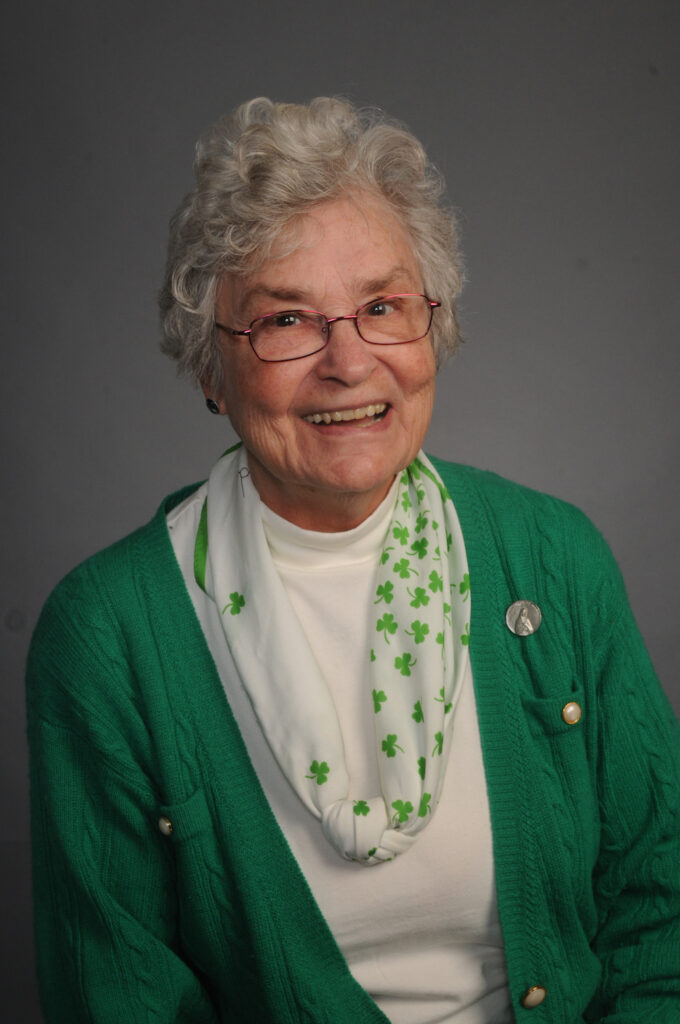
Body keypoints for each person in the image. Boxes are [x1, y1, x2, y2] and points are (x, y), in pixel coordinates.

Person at [26, 97, 680, 1024]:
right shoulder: (108, 635)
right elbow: (117, 1000)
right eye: (288, 321)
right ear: (212, 368)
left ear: (433, 327)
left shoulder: (554, 556)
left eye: (383, 307)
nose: (348, 361)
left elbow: (664, 916)